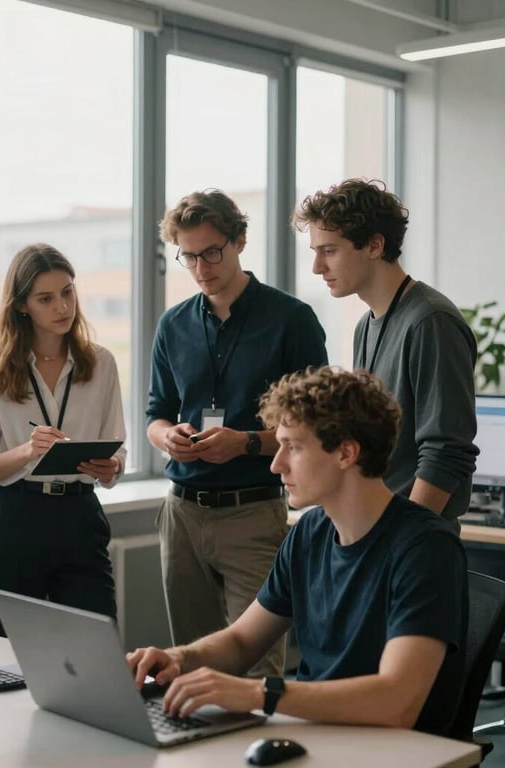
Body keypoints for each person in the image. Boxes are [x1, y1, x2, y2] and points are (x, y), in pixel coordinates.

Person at [129, 366, 467, 737]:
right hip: (318, 734)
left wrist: (260, 693)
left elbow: (397, 702)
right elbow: (241, 642)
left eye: (293, 447)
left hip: (397, 749)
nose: (277, 464)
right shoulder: (311, 531)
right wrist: (179, 658)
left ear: (346, 453)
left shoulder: (425, 547)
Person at [146, 189, 327, 677]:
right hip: (181, 514)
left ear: (240, 241)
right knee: (186, 665)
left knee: (256, 668)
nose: (201, 268)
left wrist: (245, 442)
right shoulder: (173, 325)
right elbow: (155, 415)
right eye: (188, 257)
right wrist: (168, 438)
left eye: (211, 252)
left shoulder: (292, 320)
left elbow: (315, 425)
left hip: (253, 512)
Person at [0, 243, 127, 636]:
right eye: (46, 298)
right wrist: (26, 451)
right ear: (22, 305)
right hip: (17, 516)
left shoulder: (101, 363)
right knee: (7, 650)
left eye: (67, 292)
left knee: (95, 645)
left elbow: (117, 447)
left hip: (80, 514)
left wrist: (113, 467)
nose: (62, 307)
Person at [292, 178, 478, 524]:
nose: (317, 267)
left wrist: (401, 536)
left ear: (374, 246)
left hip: (410, 537)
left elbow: (446, 453)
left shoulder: (431, 321)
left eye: (329, 251)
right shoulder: (365, 325)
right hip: (373, 526)